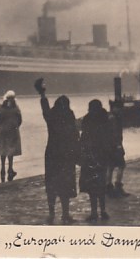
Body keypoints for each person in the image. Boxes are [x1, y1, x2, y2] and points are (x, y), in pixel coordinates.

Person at [35, 78, 79, 225]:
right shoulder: (69, 115)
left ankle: (51, 214)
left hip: (52, 154)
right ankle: (66, 214)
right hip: (66, 155)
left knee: (52, 185)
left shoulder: (51, 116)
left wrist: (42, 94)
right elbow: (75, 135)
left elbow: (45, 108)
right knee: (65, 186)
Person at [79, 99, 110, 222]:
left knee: (92, 187)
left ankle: (94, 212)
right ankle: (103, 211)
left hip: (89, 157)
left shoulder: (87, 119)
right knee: (101, 185)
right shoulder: (105, 118)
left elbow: (84, 138)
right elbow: (108, 138)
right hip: (102, 157)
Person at [0, 90, 22, 183]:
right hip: (13, 131)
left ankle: (2, 169)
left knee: (3, 150)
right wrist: (15, 126)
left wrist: (0, 127)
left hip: (2, 131)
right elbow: (20, 120)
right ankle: (10, 169)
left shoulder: (0, 108)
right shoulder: (16, 109)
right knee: (11, 150)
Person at [105, 109, 129, 198]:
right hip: (115, 146)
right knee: (121, 166)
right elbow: (116, 134)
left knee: (110, 167)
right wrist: (119, 145)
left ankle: (108, 187)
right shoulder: (115, 119)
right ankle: (118, 186)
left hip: (108, 147)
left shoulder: (108, 118)